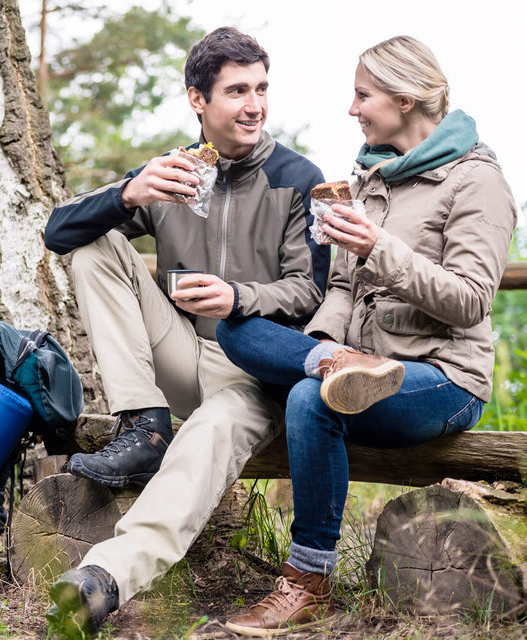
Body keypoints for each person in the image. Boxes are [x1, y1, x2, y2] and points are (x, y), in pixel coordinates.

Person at [216, 35, 517, 636]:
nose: (352, 109)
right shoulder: (372, 177)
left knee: (310, 398)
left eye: (362, 95)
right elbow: (343, 290)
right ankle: (338, 364)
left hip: (441, 377)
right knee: (236, 323)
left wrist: (379, 247)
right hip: (361, 365)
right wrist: (326, 344)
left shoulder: (477, 183)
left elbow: (469, 300)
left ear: (405, 99)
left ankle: (308, 581)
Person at [42, 26, 330, 634]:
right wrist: (128, 192)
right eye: (236, 91)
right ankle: (144, 423)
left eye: (261, 89)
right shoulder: (172, 173)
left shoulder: (297, 178)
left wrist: (239, 297)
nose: (255, 105)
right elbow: (58, 232)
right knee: (96, 248)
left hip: (255, 374)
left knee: (210, 434)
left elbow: (312, 291)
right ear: (197, 100)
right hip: (180, 357)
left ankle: (103, 578)